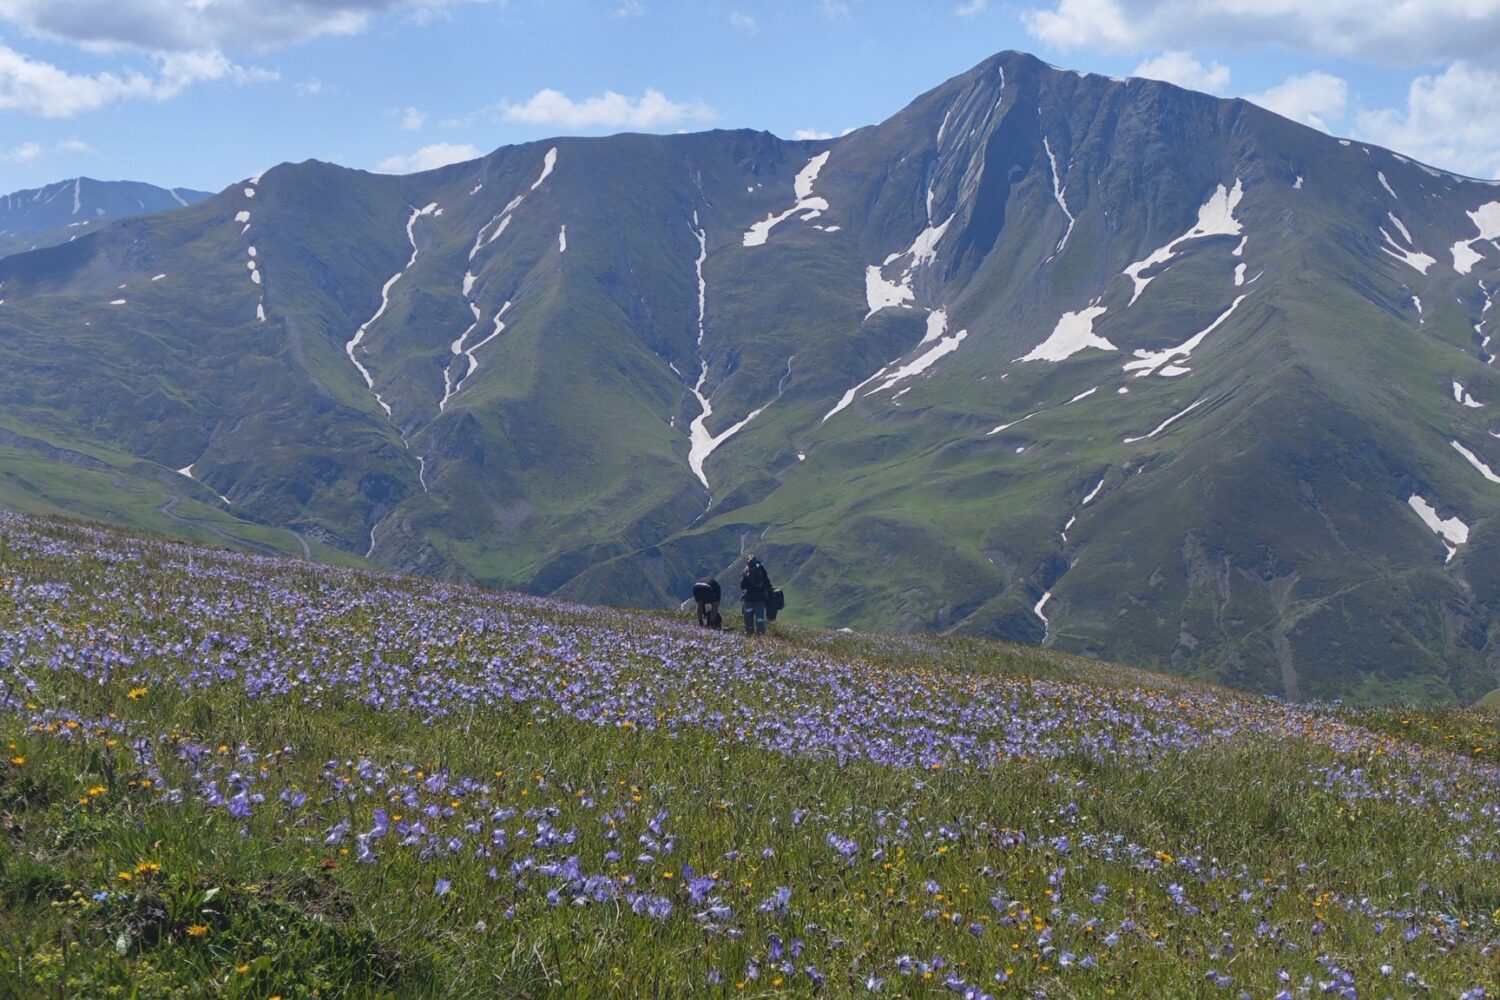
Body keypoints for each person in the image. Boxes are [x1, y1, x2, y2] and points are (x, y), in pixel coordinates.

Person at [740, 555, 773, 636]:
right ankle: (750, 633)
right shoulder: (746, 573)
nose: (751, 568)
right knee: (748, 619)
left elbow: (767, 584)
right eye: (750, 566)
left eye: (752, 566)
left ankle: (760, 634)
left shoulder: (761, 572)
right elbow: (742, 586)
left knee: (759, 620)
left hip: (757, 600)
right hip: (751, 600)